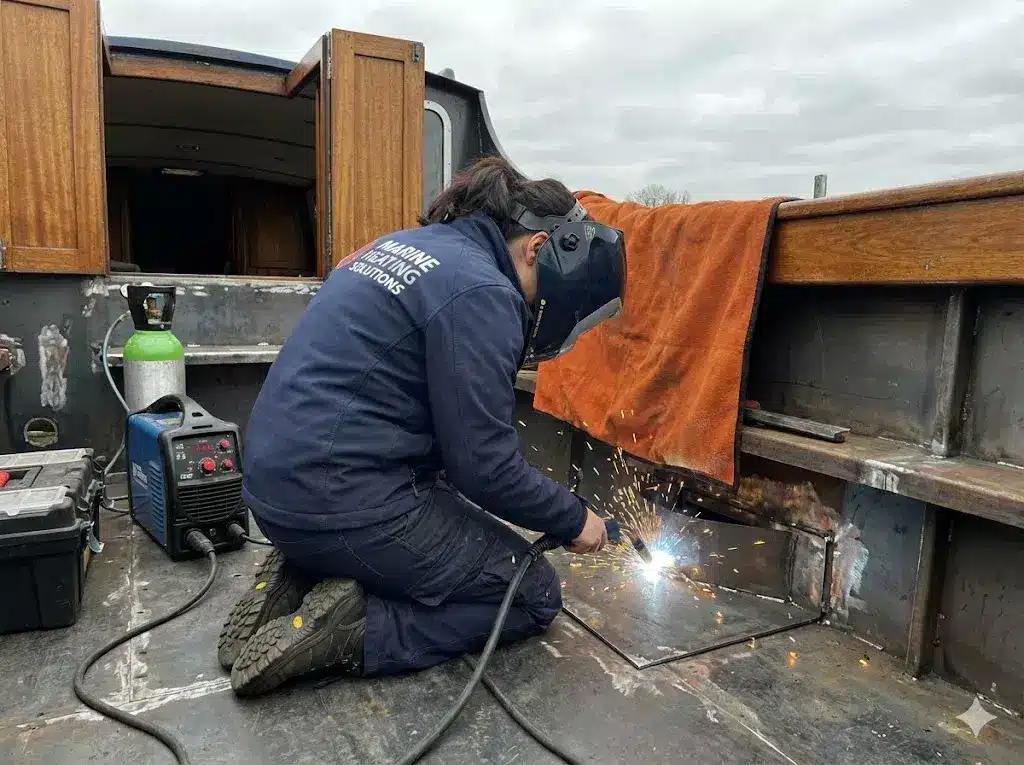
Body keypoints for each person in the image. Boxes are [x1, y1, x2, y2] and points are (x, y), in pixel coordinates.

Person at [219, 156, 627, 696]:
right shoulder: (483, 291)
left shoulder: (409, 247)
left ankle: (298, 573)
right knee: (531, 593)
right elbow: (483, 468)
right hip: (337, 501)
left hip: (273, 491)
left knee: (437, 502)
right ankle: (354, 633)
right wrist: (576, 520)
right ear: (537, 249)